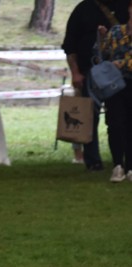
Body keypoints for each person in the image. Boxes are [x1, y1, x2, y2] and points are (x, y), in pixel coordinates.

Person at [63, 0, 127, 172]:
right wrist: (75, 72)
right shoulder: (83, 9)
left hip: (119, 75)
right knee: (89, 118)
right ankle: (93, 160)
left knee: (118, 120)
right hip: (88, 73)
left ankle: (121, 161)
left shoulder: (125, 7)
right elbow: (70, 46)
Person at [97, 0, 132, 182]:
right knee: (115, 124)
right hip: (115, 84)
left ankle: (130, 167)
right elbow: (103, 55)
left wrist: (123, 63)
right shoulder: (116, 32)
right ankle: (118, 165)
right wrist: (103, 38)